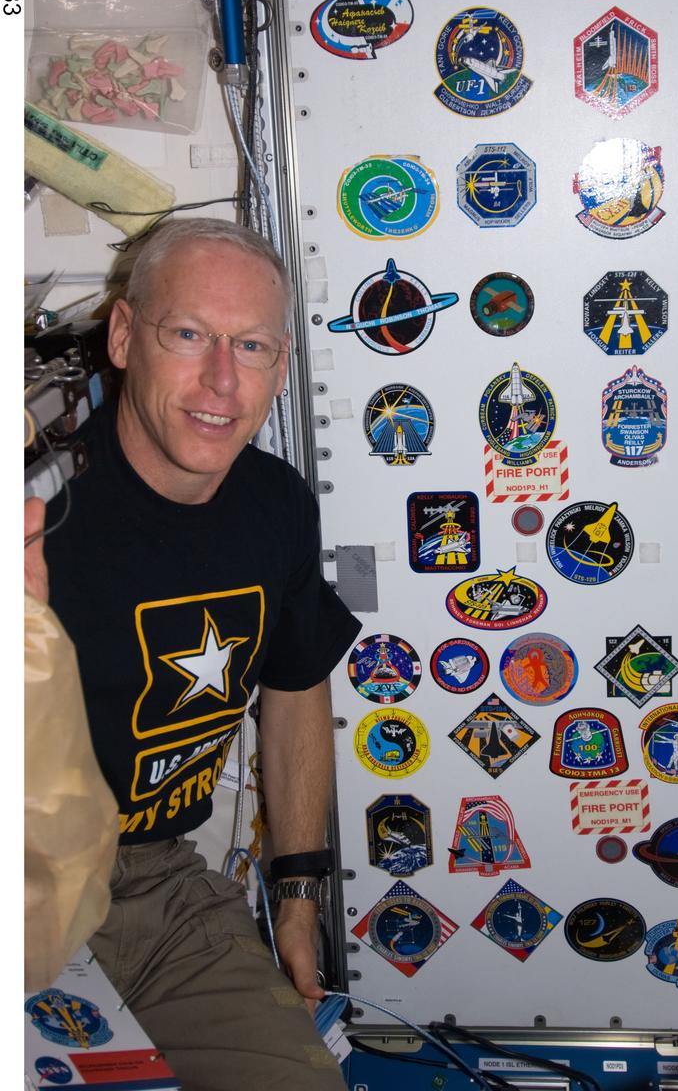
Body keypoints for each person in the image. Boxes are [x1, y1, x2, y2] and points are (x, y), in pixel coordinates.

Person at [31, 218, 361, 1091]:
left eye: (251, 346)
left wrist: (297, 896)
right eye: (189, 335)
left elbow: (295, 688)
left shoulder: (277, 505)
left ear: (281, 368)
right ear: (125, 336)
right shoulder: (36, 507)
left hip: (160, 885)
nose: (222, 381)